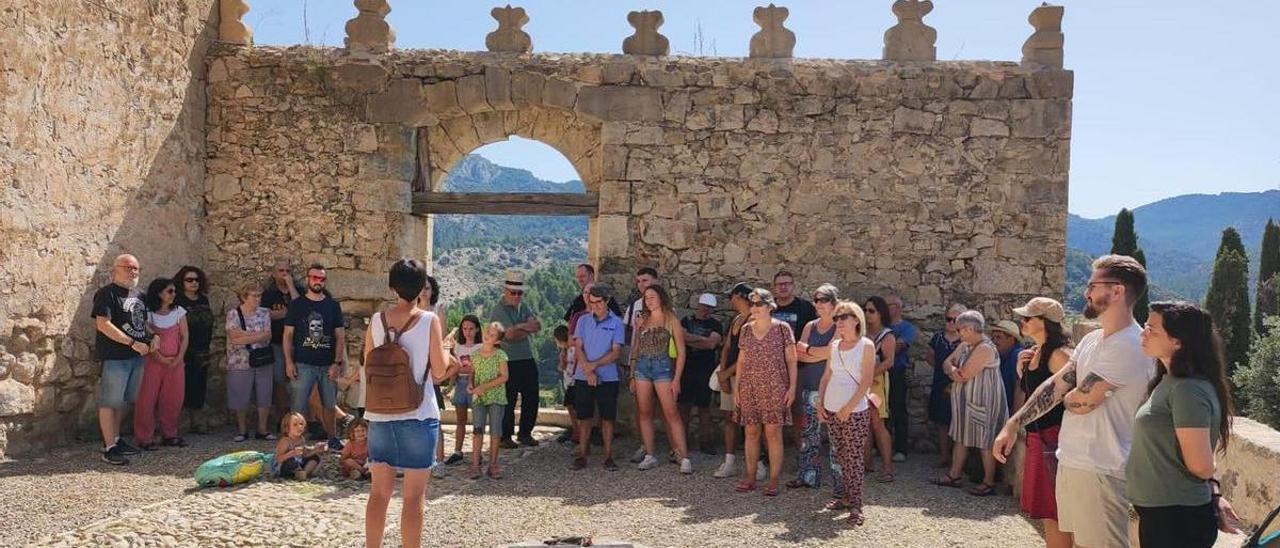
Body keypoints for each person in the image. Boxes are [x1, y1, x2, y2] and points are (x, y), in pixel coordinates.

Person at [994, 255, 1158, 548]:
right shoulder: (1092, 340)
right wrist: (1013, 423)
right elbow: (1057, 386)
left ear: (1117, 291)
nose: (1086, 293)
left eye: (1092, 285)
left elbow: (1079, 398)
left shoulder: (1130, 345)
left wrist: (1071, 393)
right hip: (1073, 460)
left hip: (1102, 469)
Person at [1128, 302, 1239, 548]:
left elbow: (1200, 465)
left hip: (1176, 519)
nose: (1143, 333)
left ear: (1178, 341)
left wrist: (1213, 491)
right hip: (1164, 513)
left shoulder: (1188, 390)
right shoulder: (1170, 382)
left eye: (1152, 330)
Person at [362, 258, 450, 548]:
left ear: (392, 287)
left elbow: (367, 363)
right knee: (413, 497)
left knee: (379, 494)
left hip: (380, 415)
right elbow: (438, 372)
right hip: (418, 413)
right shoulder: (429, 321)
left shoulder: (377, 320)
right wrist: (447, 352)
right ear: (421, 289)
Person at [1011, 297, 1073, 548]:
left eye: (1027, 318)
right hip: (1039, 437)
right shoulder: (1035, 353)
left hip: (1055, 437)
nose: (1022, 322)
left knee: (1058, 511)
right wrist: (1021, 368)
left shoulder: (1059, 355)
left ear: (1044, 322)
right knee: (1048, 512)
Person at [931, 310, 1009, 496]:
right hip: (967, 404)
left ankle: (988, 482)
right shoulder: (967, 345)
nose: (957, 333)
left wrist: (953, 371)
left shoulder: (985, 348)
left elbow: (964, 374)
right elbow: (946, 363)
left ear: (968, 329)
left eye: (959, 329)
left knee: (985, 442)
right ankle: (954, 475)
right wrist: (953, 370)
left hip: (983, 404)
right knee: (961, 438)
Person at [733, 288, 797, 496]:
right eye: (752, 304)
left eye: (759, 304)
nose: (755, 308)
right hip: (749, 386)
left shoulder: (783, 329)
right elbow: (741, 360)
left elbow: (791, 360)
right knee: (751, 432)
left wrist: (792, 387)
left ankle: (773, 480)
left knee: (773, 433)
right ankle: (750, 476)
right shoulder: (746, 330)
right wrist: (737, 387)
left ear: (770, 306)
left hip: (775, 386)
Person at [818, 300, 876, 526]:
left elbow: (866, 382)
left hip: (855, 410)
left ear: (856, 319)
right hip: (832, 407)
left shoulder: (866, 345)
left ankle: (856, 504)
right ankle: (843, 496)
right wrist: (820, 403)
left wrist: (848, 407)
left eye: (844, 317)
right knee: (838, 456)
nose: (839, 322)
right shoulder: (834, 346)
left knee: (853, 458)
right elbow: (826, 376)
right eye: (836, 318)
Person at [92, 254, 151, 464]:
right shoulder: (106, 294)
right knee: (109, 402)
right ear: (115, 269)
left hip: (136, 357)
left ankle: (116, 439)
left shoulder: (140, 295)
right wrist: (131, 343)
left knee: (124, 401)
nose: (132, 272)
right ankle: (109, 448)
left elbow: (142, 323)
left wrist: (153, 338)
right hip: (115, 356)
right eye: (127, 267)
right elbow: (103, 324)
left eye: (135, 268)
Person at [628, 284, 693, 474]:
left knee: (671, 412)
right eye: (646, 298)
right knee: (644, 412)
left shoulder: (670, 318)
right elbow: (636, 348)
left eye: (652, 297)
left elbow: (681, 352)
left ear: (661, 298)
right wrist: (632, 373)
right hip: (642, 367)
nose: (648, 301)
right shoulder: (643, 320)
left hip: (663, 368)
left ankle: (684, 456)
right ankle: (649, 454)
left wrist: (677, 379)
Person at [283, 263, 346, 452]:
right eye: (314, 277)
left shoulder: (333, 306)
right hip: (303, 363)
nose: (318, 281)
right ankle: (294, 442)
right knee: (298, 405)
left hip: (327, 364)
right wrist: (288, 361)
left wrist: (337, 362)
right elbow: (287, 336)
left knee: (329, 403)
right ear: (308, 279)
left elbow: (340, 335)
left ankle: (332, 438)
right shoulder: (296, 305)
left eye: (321, 278)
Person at [570, 283, 626, 471]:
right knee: (584, 417)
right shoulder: (583, 321)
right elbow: (578, 346)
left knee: (607, 418)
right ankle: (582, 455)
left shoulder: (617, 322)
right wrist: (587, 369)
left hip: (608, 378)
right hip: (583, 376)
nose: (594, 306)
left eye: (598, 302)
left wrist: (593, 366)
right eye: (591, 302)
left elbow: (616, 352)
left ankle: (608, 456)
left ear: (607, 301)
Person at [790, 283, 839, 489]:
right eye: (816, 299)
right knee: (809, 434)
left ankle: (841, 485)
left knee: (837, 438)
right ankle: (808, 477)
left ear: (834, 302)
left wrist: (809, 350)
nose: (818, 303)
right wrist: (819, 353)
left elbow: (833, 352)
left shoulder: (840, 326)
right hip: (811, 387)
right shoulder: (810, 326)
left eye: (823, 299)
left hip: (834, 390)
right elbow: (797, 353)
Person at [133, 277, 190, 450]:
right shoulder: (148, 314)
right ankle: (144, 437)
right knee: (146, 399)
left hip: (175, 363)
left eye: (174, 291)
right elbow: (146, 336)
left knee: (173, 399)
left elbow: (185, 336)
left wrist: (179, 357)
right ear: (159, 293)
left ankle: (170, 434)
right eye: (169, 291)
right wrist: (160, 358)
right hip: (153, 362)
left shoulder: (179, 311)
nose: (173, 294)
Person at [491, 270, 542, 449]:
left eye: (520, 293)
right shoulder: (498, 309)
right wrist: (523, 327)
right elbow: (510, 335)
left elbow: (537, 325)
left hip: (526, 357)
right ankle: (506, 436)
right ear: (505, 291)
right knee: (509, 399)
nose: (517, 296)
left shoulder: (523, 306)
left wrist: (518, 328)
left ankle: (525, 433)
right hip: (508, 359)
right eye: (513, 292)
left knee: (532, 397)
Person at [225, 281, 275, 442]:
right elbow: (234, 339)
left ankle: (262, 429)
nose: (257, 299)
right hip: (239, 360)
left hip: (262, 359)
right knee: (240, 395)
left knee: (264, 394)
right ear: (244, 297)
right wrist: (256, 335)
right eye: (254, 296)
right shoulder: (233, 314)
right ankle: (242, 430)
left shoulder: (264, 312)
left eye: (259, 296)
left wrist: (245, 335)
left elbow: (267, 335)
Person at [713, 282, 753, 479]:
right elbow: (727, 347)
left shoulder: (754, 320)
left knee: (750, 420)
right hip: (730, 374)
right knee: (729, 417)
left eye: (732, 296)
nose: (730, 300)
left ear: (739, 296)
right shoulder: (737, 319)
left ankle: (756, 462)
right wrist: (722, 372)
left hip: (746, 377)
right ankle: (729, 461)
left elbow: (747, 354)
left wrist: (725, 374)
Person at [678, 293, 724, 456]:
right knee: (684, 407)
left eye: (710, 308)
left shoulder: (716, 324)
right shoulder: (686, 320)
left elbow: (712, 344)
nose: (706, 310)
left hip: (705, 370)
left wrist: (691, 340)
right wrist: (702, 340)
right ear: (699, 305)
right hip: (687, 369)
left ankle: (706, 441)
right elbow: (680, 337)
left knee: (704, 407)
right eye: (704, 306)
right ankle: (681, 441)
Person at [624, 267, 660, 464]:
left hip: (661, 363)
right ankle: (644, 446)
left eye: (645, 280)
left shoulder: (666, 306)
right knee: (641, 407)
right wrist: (631, 364)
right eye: (638, 281)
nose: (641, 285)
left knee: (665, 408)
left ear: (656, 281)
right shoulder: (635, 306)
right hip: (641, 364)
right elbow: (630, 336)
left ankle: (674, 447)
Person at [467, 321, 511, 480]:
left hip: (496, 398)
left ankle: (493, 464)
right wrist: (470, 384)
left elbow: (504, 376)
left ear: (497, 341)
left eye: (492, 335)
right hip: (479, 398)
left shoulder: (500, 355)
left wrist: (484, 386)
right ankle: (475, 465)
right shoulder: (475, 355)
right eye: (487, 332)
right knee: (477, 430)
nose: (487, 336)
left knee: (495, 431)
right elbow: (472, 373)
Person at [926, 303, 966, 468]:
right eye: (948, 319)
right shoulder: (937, 338)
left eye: (954, 320)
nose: (950, 322)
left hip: (959, 384)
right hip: (940, 382)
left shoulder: (965, 341)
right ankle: (944, 455)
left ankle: (957, 459)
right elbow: (930, 357)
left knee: (958, 421)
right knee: (941, 421)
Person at [174, 266, 213, 433]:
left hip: (202, 348)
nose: (194, 283)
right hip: (183, 349)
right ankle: (179, 422)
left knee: (199, 384)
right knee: (181, 385)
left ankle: (197, 421)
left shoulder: (203, 300)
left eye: (196, 279)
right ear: (181, 282)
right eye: (189, 280)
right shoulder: (177, 301)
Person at [262, 260, 301, 423]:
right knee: (279, 381)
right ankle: (282, 419)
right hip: (277, 343)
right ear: (274, 273)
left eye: (287, 270)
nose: (284, 274)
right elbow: (265, 315)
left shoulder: (298, 291)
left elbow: (300, 309)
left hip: (298, 344)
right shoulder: (269, 294)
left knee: (298, 382)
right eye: (280, 270)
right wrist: (290, 313)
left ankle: (298, 418)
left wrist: (291, 286)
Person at [862, 296, 897, 482]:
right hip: (860, 381)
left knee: (878, 423)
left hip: (877, 383)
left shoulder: (887, 335)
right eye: (866, 310)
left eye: (872, 311)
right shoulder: (862, 332)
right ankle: (866, 463)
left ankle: (887, 467)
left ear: (880, 313)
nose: (868, 314)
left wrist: (869, 376)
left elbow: (889, 361)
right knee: (863, 423)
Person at [444, 315, 483, 465]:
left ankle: (477, 451)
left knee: (477, 420)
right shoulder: (458, 347)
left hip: (475, 383)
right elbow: (456, 369)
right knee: (460, 420)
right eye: (465, 328)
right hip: (460, 383)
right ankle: (457, 451)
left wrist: (464, 369)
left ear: (477, 329)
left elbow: (477, 368)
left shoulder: (480, 347)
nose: (467, 332)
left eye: (471, 329)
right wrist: (450, 386)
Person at [885, 294, 917, 462]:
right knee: (880, 410)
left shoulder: (907, 328)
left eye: (887, 305)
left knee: (898, 409)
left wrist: (881, 348)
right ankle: (880, 446)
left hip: (897, 372)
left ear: (897, 307)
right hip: (879, 372)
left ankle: (900, 449)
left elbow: (897, 348)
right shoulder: (880, 326)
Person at [770, 271, 817, 341]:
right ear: (774, 287)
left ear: (793, 286)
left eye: (787, 284)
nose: (783, 287)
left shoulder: (805, 307)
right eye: (779, 284)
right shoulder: (767, 307)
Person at [276, 411, 323, 480]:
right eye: (295, 425)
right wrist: (292, 453)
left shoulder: (301, 439)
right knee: (291, 460)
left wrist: (315, 450)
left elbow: (304, 454)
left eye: (301, 424)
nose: (299, 427)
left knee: (315, 457)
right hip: (286, 466)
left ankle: (304, 473)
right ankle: (300, 472)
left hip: (299, 462)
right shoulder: (285, 441)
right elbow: (278, 459)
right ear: (287, 428)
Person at [990, 319, 1025, 412]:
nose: (994, 341)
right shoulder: (999, 356)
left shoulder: (1018, 356)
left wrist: (1014, 419)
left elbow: (1021, 389)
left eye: (998, 337)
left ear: (1011, 339)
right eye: (993, 338)